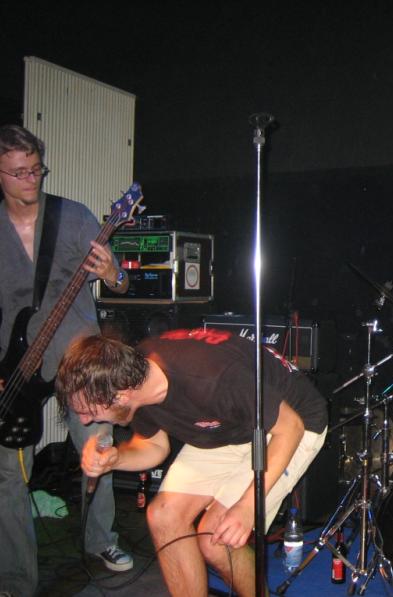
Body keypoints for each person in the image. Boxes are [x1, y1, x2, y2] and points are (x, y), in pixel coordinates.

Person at [55, 328, 328, 597]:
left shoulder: (209, 375)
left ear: (121, 396)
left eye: (89, 411)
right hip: (227, 426)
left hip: (290, 423)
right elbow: (154, 446)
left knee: (216, 538)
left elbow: (290, 427)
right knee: (164, 516)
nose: (85, 421)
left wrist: (247, 507)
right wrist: (116, 458)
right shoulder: (132, 378)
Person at [0, 124, 132, 596]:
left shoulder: (71, 216)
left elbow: (120, 283)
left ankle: (101, 540)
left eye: (36, 169)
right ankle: (16, 578)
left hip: (79, 359)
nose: (30, 180)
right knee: (7, 474)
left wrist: (112, 272)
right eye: (19, 172)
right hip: (13, 366)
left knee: (97, 451)